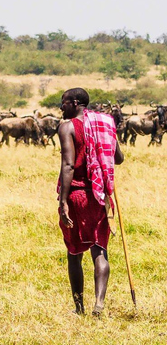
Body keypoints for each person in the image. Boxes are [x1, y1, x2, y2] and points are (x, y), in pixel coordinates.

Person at [57, 88, 124, 316]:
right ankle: (100, 303)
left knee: (74, 253)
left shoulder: (67, 127)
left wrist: (63, 201)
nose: (61, 107)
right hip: (99, 197)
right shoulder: (103, 125)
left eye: (64, 103)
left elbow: (68, 165)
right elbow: (119, 158)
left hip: (77, 195)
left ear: (75, 103)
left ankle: (79, 307)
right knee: (100, 250)